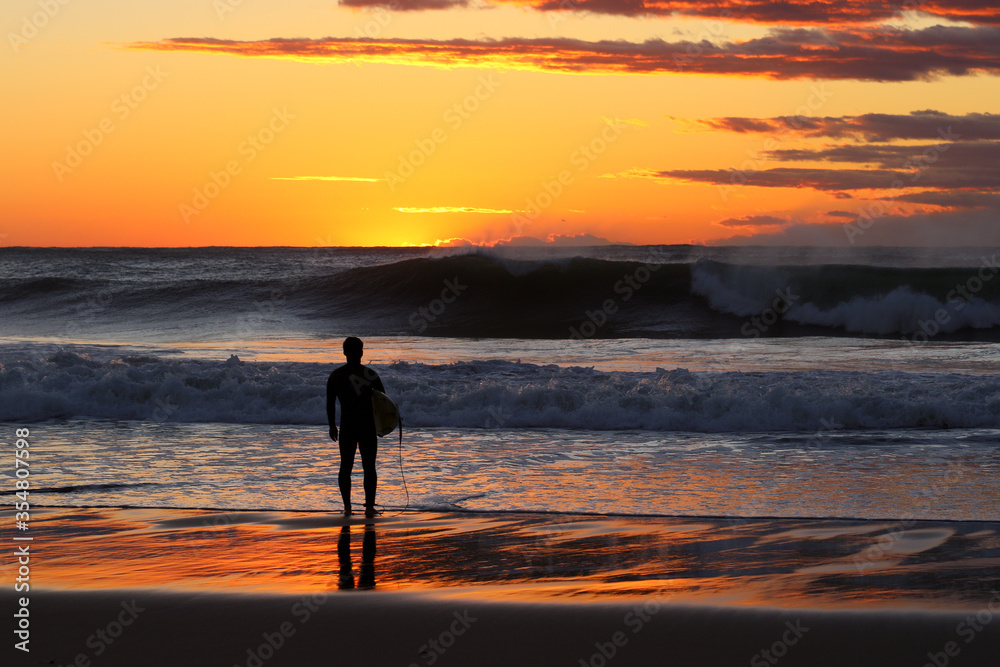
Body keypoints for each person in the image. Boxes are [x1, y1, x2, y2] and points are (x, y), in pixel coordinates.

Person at [327, 336, 385, 517]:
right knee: (368, 467)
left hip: (348, 428)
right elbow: (384, 402)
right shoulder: (370, 375)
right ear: (362, 352)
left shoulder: (336, 375)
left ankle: (348, 507)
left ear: (344, 352)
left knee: (346, 467)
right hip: (366, 427)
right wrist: (385, 423)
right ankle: (368, 507)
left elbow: (330, 403)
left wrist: (332, 426)